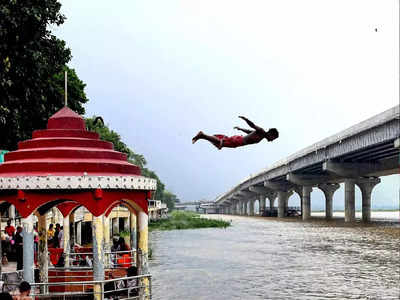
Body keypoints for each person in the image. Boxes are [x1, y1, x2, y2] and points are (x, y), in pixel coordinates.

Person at [192, 116, 279, 149]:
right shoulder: (262, 132)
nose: (272, 140)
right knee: (219, 143)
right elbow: (252, 125)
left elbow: (250, 131)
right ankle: (202, 135)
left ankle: (202, 136)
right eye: (273, 138)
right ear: (271, 134)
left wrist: (240, 129)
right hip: (239, 141)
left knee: (218, 144)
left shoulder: (261, 135)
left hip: (238, 140)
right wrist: (245, 119)